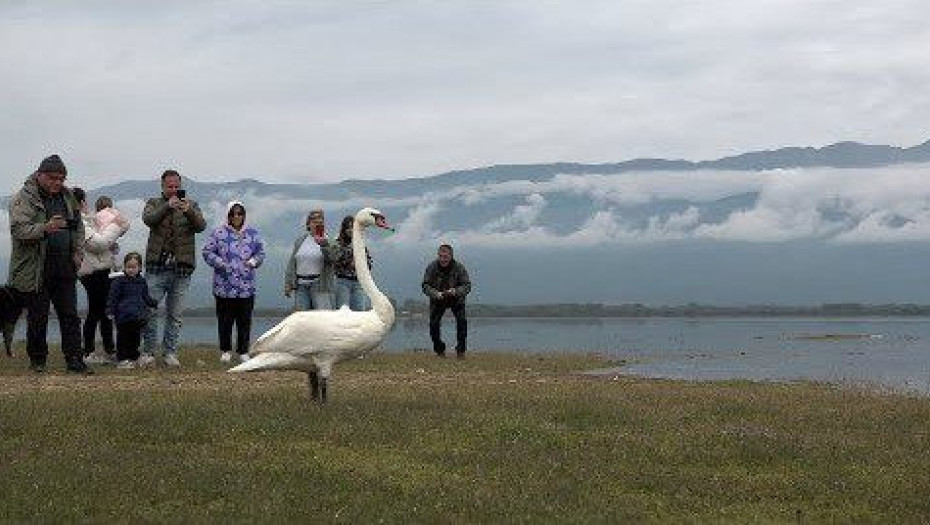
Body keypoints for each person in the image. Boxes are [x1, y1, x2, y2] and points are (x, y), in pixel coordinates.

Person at [8, 155, 90, 373]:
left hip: (65, 265)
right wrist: (45, 228)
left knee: (70, 315)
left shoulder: (68, 196)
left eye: (61, 178)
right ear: (39, 175)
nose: (57, 182)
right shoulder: (23, 198)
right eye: (53, 177)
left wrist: (78, 252)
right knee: (38, 317)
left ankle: (75, 360)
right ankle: (38, 362)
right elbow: (18, 230)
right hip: (36, 268)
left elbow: (78, 227)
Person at [140, 169, 207, 367]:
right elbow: (148, 219)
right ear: (163, 187)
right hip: (156, 267)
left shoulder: (191, 205)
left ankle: (170, 353)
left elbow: (201, 226)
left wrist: (188, 211)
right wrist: (167, 207)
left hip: (182, 269)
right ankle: (149, 352)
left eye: (177, 186)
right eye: (170, 187)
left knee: (175, 315)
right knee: (150, 310)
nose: (174, 190)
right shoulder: (153, 203)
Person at [202, 201, 265, 363]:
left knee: (244, 319)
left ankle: (243, 350)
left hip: (246, 286)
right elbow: (207, 252)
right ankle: (225, 350)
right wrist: (220, 263)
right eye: (233, 213)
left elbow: (261, 252)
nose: (236, 216)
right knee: (225, 320)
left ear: (244, 215)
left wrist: (253, 262)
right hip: (223, 286)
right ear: (228, 215)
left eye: (239, 213)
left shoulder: (253, 233)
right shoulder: (218, 233)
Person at [76, 191, 130, 364]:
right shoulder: (82, 222)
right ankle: (91, 350)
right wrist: (116, 227)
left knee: (103, 310)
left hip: (100, 270)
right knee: (97, 311)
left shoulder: (88, 220)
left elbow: (105, 245)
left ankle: (106, 348)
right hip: (93, 272)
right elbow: (97, 244)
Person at [107, 252, 158, 369]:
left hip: (138, 316)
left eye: (133, 267)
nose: (130, 269)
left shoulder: (142, 281)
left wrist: (153, 303)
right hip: (123, 316)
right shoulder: (119, 282)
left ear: (139, 268)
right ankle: (122, 359)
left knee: (135, 338)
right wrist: (110, 311)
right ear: (124, 267)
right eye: (128, 267)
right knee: (123, 338)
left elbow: (145, 296)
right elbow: (112, 297)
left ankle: (133, 357)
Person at [422, 243, 472, 358]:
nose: (443, 259)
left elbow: (467, 285)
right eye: (440, 256)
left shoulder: (459, 267)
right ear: (438, 255)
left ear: (451, 256)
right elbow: (425, 285)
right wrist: (435, 294)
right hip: (438, 298)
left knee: (462, 322)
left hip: (456, 298)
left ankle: (461, 351)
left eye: (445, 256)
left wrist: (456, 291)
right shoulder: (431, 267)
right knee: (433, 324)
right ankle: (440, 350)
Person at [284, 209, 337, 311]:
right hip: (301, 286)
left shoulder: (330, 241)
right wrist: (288, 283)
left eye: (320, 222)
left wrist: (324, 245)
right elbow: (292, 262)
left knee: (322, 319)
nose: (317, 224)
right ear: (308, 225)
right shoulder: (300, 241)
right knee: (302, 319)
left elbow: (333, 259)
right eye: (314, 222)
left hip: (321, 286)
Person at [333, 215, 372, 311]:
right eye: (348, 227)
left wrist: (363, 263)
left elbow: (369, 263)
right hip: (342, 282)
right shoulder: (337, 243)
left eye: (353, 227)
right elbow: (334, 262)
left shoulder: (360, 243)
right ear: (344, 229)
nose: (351, 230)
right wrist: (351, 260)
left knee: (359, 313)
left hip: (358, 282)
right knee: (343, 313)